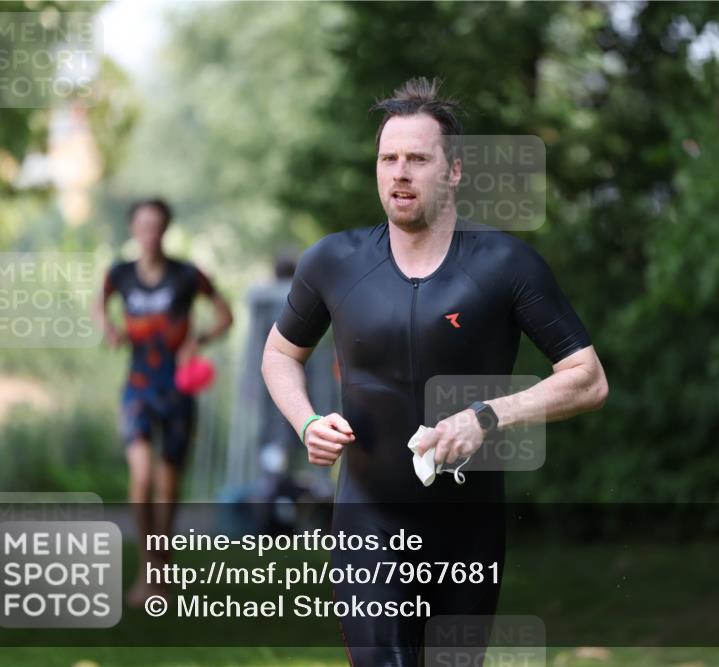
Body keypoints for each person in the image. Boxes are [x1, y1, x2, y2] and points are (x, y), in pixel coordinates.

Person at [261, 77, 608, 666]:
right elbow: (279, 354)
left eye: (418, 159)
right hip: (368, 520)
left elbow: (587, 378)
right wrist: (306, 421)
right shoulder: (334, 262)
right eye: (388, 158)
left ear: (453, 171)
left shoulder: (505, 265)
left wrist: (487, 417)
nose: (400, 172)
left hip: (466, 529)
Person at [93, 198, 234, 607]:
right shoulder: (119, 274)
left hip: (177, 390)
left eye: (156, 226)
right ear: (132, 230)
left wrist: (199, 339)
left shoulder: (188, 275)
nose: (149, 233)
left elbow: (226, 314)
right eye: (142, 225)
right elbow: (98, 303)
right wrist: (109, 329)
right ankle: (146, 568)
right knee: (140, 478)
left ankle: (161, 570)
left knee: (168, 484)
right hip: (137, 387)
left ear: (165, 230)